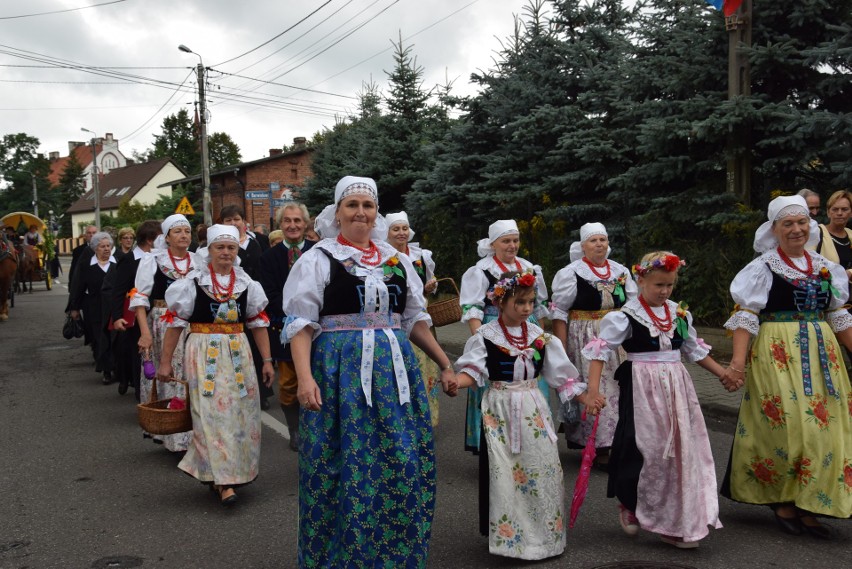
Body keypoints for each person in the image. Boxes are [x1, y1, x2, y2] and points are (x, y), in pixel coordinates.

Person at [283, 176, 457, 567]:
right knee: (338, 464)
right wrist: (305, 378)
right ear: (337, 212)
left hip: (395, 377)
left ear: (376, 212)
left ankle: (393, 554)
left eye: (368, 205)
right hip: (338, 375)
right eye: (352, 205)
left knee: (401, 459)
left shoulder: (395, 261)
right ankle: (341, 557)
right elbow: (299, 323)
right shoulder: (318, 258)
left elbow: (414, 319)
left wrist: (445, 363)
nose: (360, 212)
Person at [721, 194, 852, 538]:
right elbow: (745, 315)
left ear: (810, 225)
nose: (796, 229)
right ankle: (782, 499)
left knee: (826, 429)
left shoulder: (826, 268)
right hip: (776, 353)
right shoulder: (762, 267)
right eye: (787, 224)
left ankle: (809, 502)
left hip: (822, 354)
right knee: (791, 427)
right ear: (774, 229)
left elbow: (839, 316)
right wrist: (736, 364)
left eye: (801, 222)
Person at [583, 251, 727, 549]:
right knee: (641, 444)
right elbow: (600, 351)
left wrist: (723, 374)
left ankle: (675, 519)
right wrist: (594, 391)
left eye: (669, 285)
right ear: (641, 280)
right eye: (658, 285)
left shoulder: (679, 313)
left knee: (677, 449)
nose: (664, 291)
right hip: (641, 384)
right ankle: (630, 501)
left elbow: (693, 350)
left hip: (676, 385)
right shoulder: (625, 316)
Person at [454, 269, 595, 560]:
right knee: (505, 473)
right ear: (500, 302)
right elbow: (473, 371)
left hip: (532, 407)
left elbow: (562, 378)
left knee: (543, 469)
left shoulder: (541, 337)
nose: (527, 308)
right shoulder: (486, 336)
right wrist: (457, 382)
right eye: (520, 302)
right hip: (499, 409)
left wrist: (585, 397)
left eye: (530, 302)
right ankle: (510, 540)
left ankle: (545, 539)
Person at [158, 224, 275, 506]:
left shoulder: (248, 285)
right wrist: (165, 362)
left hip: (239, 355)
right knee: (209, 415)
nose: (225, 252)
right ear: (208, 251)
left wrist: (268, 361)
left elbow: (258, 325)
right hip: (202, 353)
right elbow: (175, 325)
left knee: (240, 414)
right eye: (219, 247)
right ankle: (224, 482)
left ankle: (235, 472)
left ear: (237, 251)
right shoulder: (192, 284)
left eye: (230, 248)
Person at [458, 219, 550, 453]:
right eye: (506, 241)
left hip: (526, 329)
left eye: (515, 240)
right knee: (496, 383)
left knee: (529, 380)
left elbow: (538, 306)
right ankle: (492, 443)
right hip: (494, 326)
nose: (512, 245)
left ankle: (532, 438)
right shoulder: (481, 270)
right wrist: (482, 338)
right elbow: (473, 308)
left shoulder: (529, 268)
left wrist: (542, 337)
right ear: (493, 244)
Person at [551, 222, 637, 469]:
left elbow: (632, 305)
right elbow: (559, 312)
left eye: (603, 239)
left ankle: (622, 441)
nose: (599, 244)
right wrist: (562, 347)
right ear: (582, 246)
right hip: (585, 336)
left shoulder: (620, 271)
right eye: (593, 240)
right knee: (596, 387)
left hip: (618, 337)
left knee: (620, 388)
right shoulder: (571, 273)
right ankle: (599, 446)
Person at [129, 214, 201, 451]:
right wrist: (144, 332)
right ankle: (172, 434)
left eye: (187, 231)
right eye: (178, 231)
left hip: (192, 324)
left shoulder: (198, 260)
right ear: (167, 237)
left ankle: (194, 432)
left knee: (192, 374)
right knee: (168, 373)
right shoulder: (154, 260)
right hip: (162, 322)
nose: (184, 236)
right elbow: (139, 298)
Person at [257, 202, 316, 450]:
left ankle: (317, 426)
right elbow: (267, 294)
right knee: (290, 383)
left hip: (316, 327)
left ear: (305, 224)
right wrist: (295, 309)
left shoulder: (318, 251)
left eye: (297, 221)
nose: (292, 225)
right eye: (287, 221)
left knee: (319, 377)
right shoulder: (268, 257)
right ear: (280, 225)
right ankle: (294, 429)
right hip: (284, 328)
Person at [385, 211, 442, 426]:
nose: (401, 233)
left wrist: (431, 287)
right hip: (398, 323)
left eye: (404, 228)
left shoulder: (421, 256)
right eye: (396, 229)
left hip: (422, 320)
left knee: (426, 369)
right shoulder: (385, 257)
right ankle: (405, 418)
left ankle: (427, 419)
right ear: (387, 232)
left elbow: (430, 284)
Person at [220, 204, 271, 408]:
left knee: (256, 346)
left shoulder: (258, 241)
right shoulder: (217, 244)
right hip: (228, 300)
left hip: (254, 297)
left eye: (237, 219)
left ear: (244, 221)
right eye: (228, 220)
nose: (233, 223)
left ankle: (262, 391)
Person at [110, 221, 161, 398]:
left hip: (160, 315)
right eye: (160, 237)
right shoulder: (129, 260)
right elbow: (118, 290)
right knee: (140, 355)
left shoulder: (160, 258)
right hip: (138, 315)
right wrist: (117, 316)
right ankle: (142, 395)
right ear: (149, 240)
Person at [68, 231, 117, 384]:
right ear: (95, 248)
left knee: (115, 338)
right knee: (99, 338)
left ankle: (119, 369)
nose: (106, 249)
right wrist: (74, 308)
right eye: (102, 246)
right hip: (94, 307)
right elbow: (78, 287)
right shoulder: (86, 265)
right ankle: (106, 371)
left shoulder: (118, 263)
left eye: (108, 246)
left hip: (115, 307)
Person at [67, 225, 98, 295]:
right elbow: (74, 269)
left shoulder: (106, 249)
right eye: (89, 233)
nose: (91, 235)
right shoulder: (78, 251)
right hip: (84, 288)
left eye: (94, 232)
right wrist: (71, 286)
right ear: (85, 235)